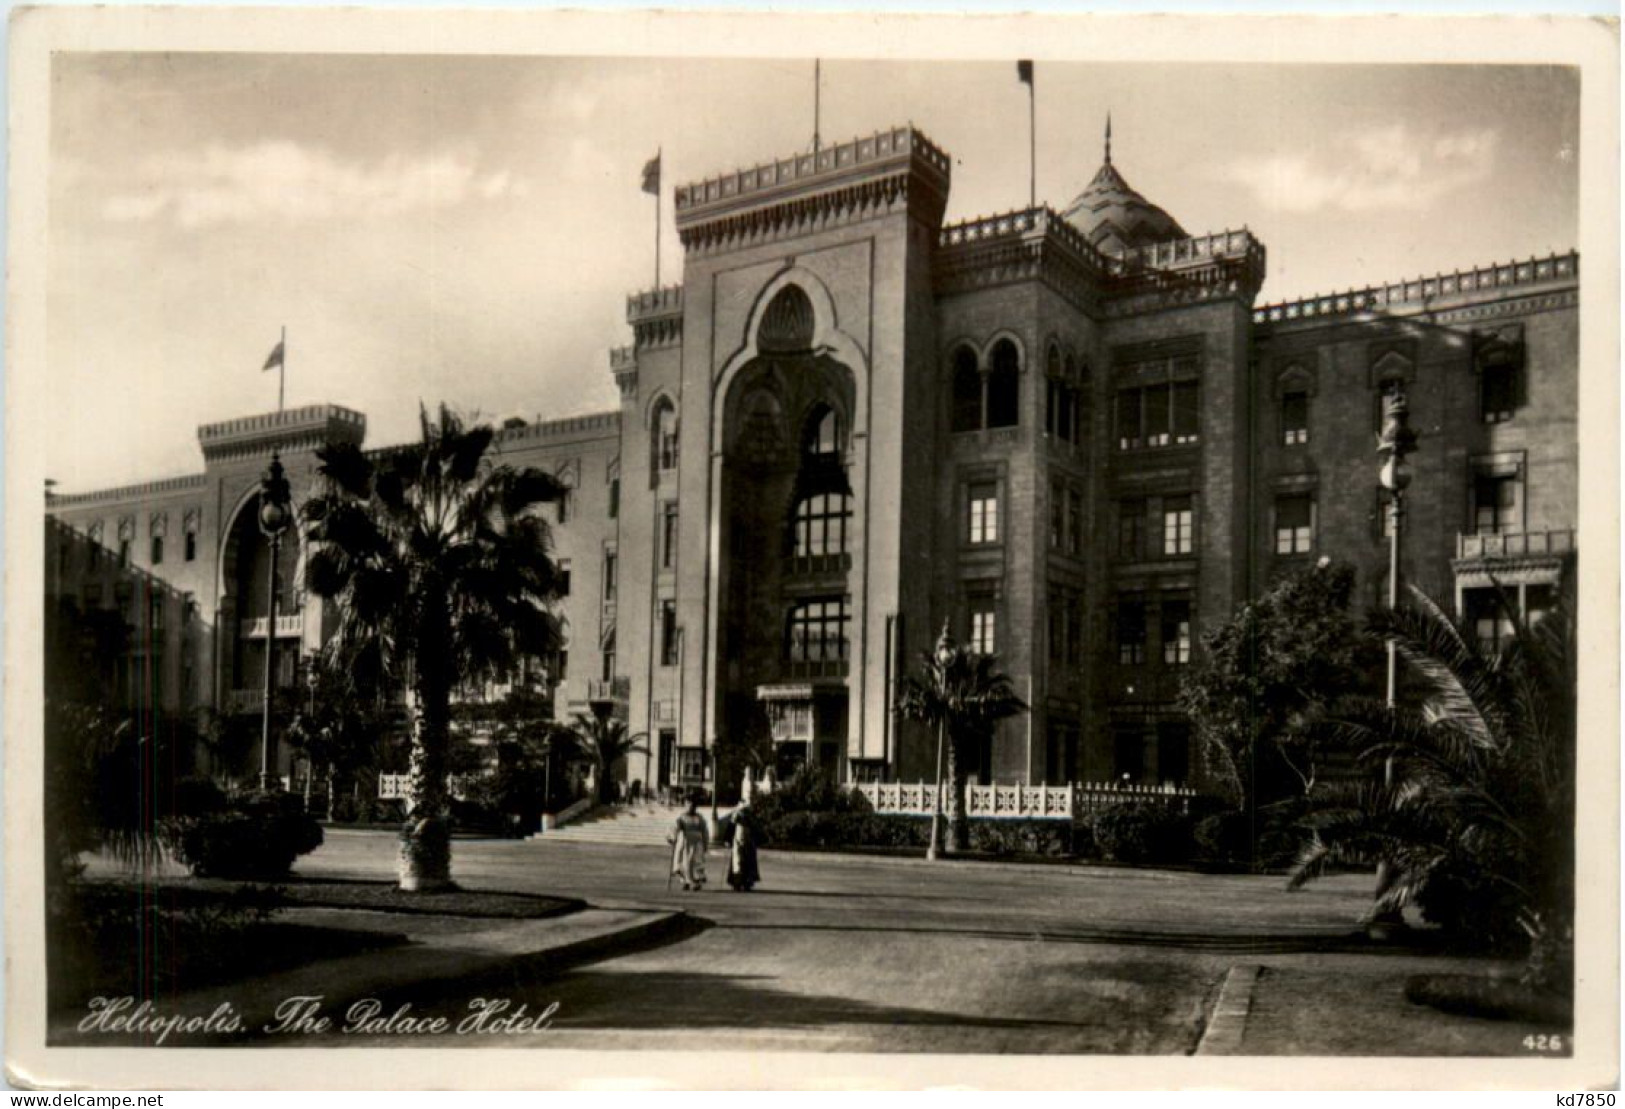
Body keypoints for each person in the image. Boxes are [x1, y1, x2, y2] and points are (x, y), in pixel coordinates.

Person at [667, 795, 708, 891]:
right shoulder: (681, 817)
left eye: (693, 805)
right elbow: (675, 828)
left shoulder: (699, 818)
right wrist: (672, 836)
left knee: (695, 862)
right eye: (688, 804)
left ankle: (695, 882)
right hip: (685, 842)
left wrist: (705, 843)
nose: (691, 807)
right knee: (684, 862)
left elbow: (704, 831)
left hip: (697, 843)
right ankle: (686, 881)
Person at [725, 801, 762, 892]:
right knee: (737, 863)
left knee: (748, 863)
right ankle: (736, 883)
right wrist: (727, 840)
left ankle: (747, 883)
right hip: (738, 843)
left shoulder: (751, 819)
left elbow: (756, 829)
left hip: (749, 844)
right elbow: (730, 829)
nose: (743, 813)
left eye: (745, 810)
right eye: (742, 810)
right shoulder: (735, 818)